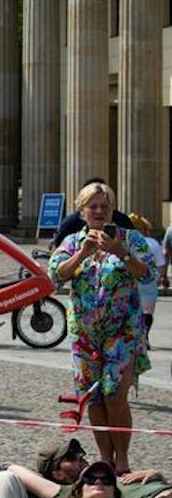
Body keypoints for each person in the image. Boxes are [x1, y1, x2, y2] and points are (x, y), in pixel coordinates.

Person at [49, 180, 154, 470]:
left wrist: (121, 252)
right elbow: (55, 277)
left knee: (114, 394)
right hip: (84, 334)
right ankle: (105, 458)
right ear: (82, 211)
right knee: (94, 398)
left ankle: (122, 458)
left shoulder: (131, 239)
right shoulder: (70, 243)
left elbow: (147, 276)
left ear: (112, 210)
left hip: (123, 332)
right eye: (92, 206)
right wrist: (81, 254)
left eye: (104, 206)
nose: (98, 210)